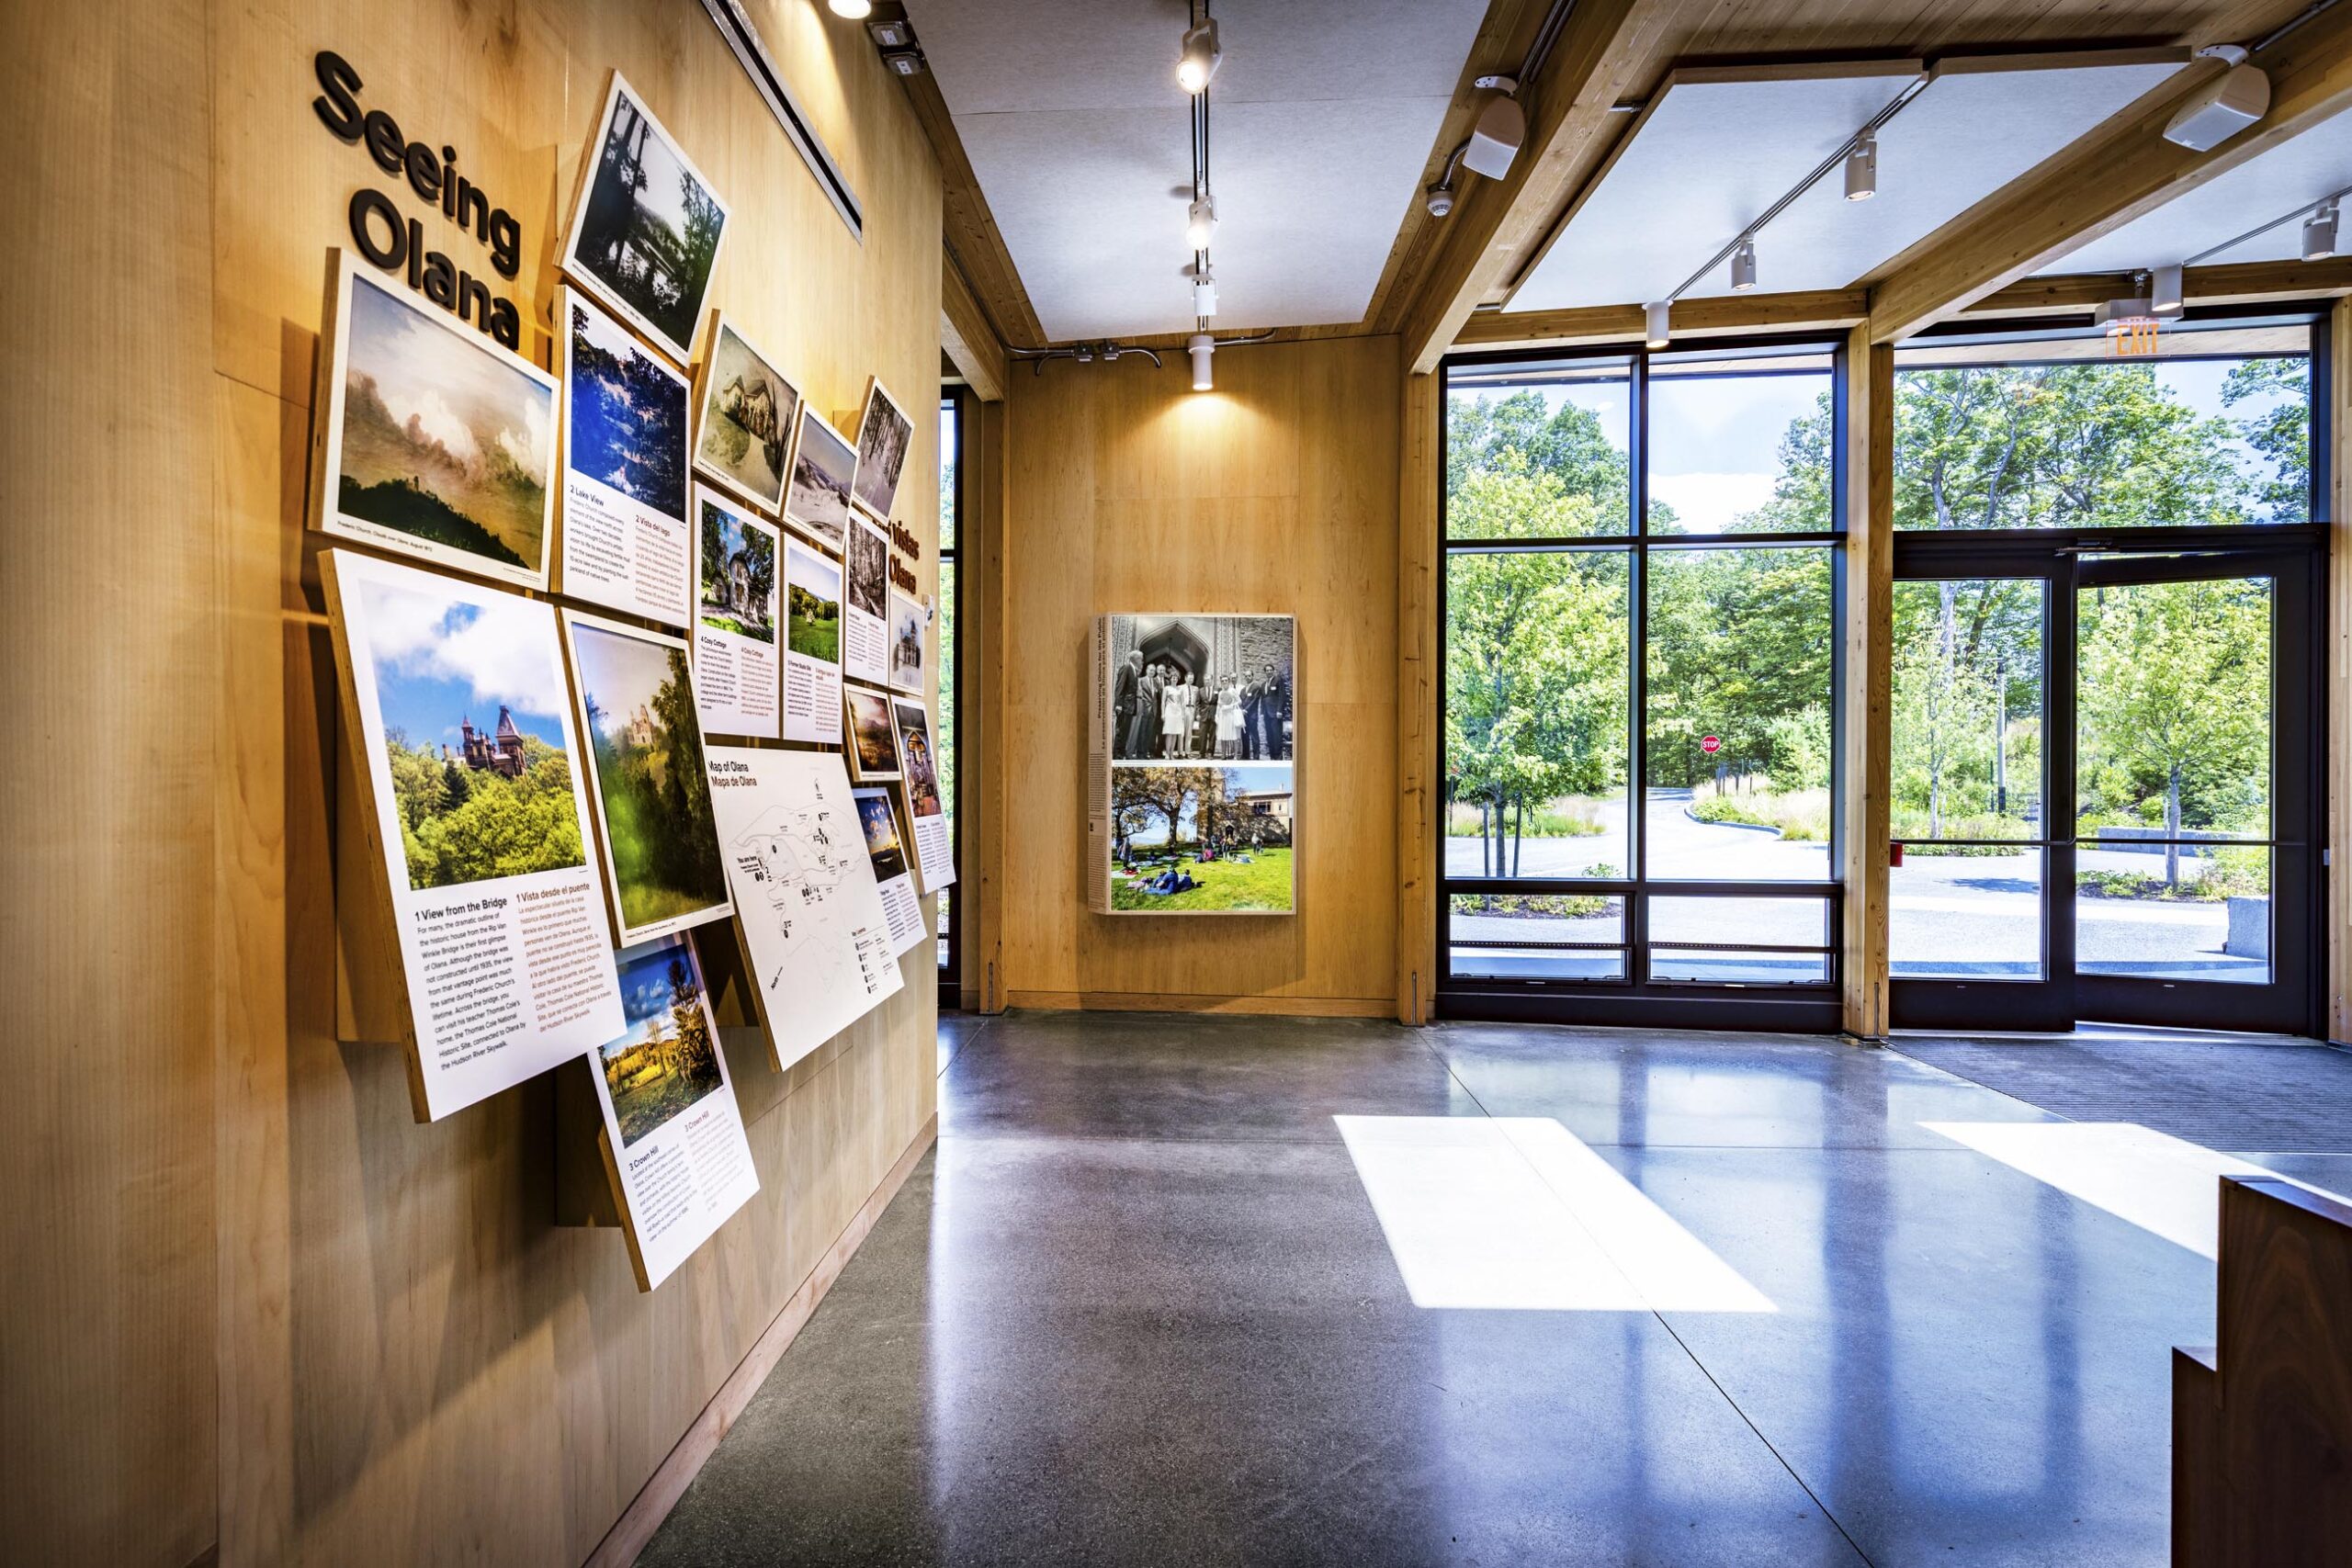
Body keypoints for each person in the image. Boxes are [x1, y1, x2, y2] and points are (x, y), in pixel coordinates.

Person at [1113, 650, 1143, 760]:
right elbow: (1119, 687)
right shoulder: (1126, 668)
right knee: (1120, 731)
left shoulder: (1134, 670)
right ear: (1135, 659)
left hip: (1130, 707)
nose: (1142, 661)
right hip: (1124, 706)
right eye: (1141, 659)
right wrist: (1118, 704)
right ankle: (1116, 754)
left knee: (1125, 731)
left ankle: (1121, 752)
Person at [1258, 662, 1290, 761]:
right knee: (1270, 737)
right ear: (1265, 672)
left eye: (1270, 670)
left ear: (1273, 671)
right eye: (1267, 670)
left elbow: (1281, 696)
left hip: (1276, 714)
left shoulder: (1278, 680)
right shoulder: (1263, 685)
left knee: (1277, 737)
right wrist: (1262, 713)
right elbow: (1263, 700)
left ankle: (1278, 758)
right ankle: (1272, 758)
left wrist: (1279, 710)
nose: (1269, 672)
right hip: (1267, 714)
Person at [1129, 661, 1161, 759]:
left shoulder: (1156, 682)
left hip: (1153, 711)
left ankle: (1145, 753)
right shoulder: (1141, 680)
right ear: (1147, 670)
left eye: (1154, 671)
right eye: (1150, 670)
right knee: (1141, 732)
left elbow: (1156, 696)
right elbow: (1139, 695)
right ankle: (1140, 753)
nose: (1152, 672)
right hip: (1144, 709)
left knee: (1149, 733)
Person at [1160, 665, 1185, 759]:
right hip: (1169, 711)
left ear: (1178, 679)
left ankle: (1171, 753)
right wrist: (1163, 713)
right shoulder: (1167, 688)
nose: (1174, 679)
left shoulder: (1180, 689)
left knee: (1175, 733)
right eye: (1173, 677)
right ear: (1170, 678)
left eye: (1176, 677)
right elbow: (1163, 702)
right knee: (1169, 733)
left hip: (1178, 712)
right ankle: (1167, 753)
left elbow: (1182, 702)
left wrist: (1182, 714)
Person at [1216, 675, 1242, 760]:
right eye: (1222, 681)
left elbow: (1239, 701)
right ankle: (1223, 754)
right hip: (1223, 715)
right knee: (1223, 735)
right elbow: (1219, 704)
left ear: (1229, 681)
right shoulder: (1220, 692)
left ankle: (1235, 755)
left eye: (1226, 680)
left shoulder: (1232, 690)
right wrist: (1217, 715)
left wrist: (1231, 706)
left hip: (1231, 714)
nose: (1224, 682)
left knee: (1233, 735)